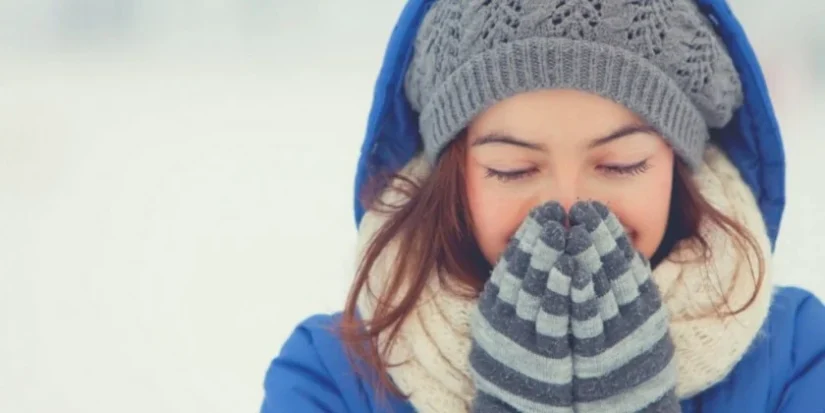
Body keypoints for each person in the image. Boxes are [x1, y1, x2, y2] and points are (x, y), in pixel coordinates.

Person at [261, 0, 825, 411]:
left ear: (679, 166)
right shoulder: (332, 379)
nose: (568, 206)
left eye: (621, 163)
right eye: (513, 169)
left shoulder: (798, 354)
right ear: (452, 180)